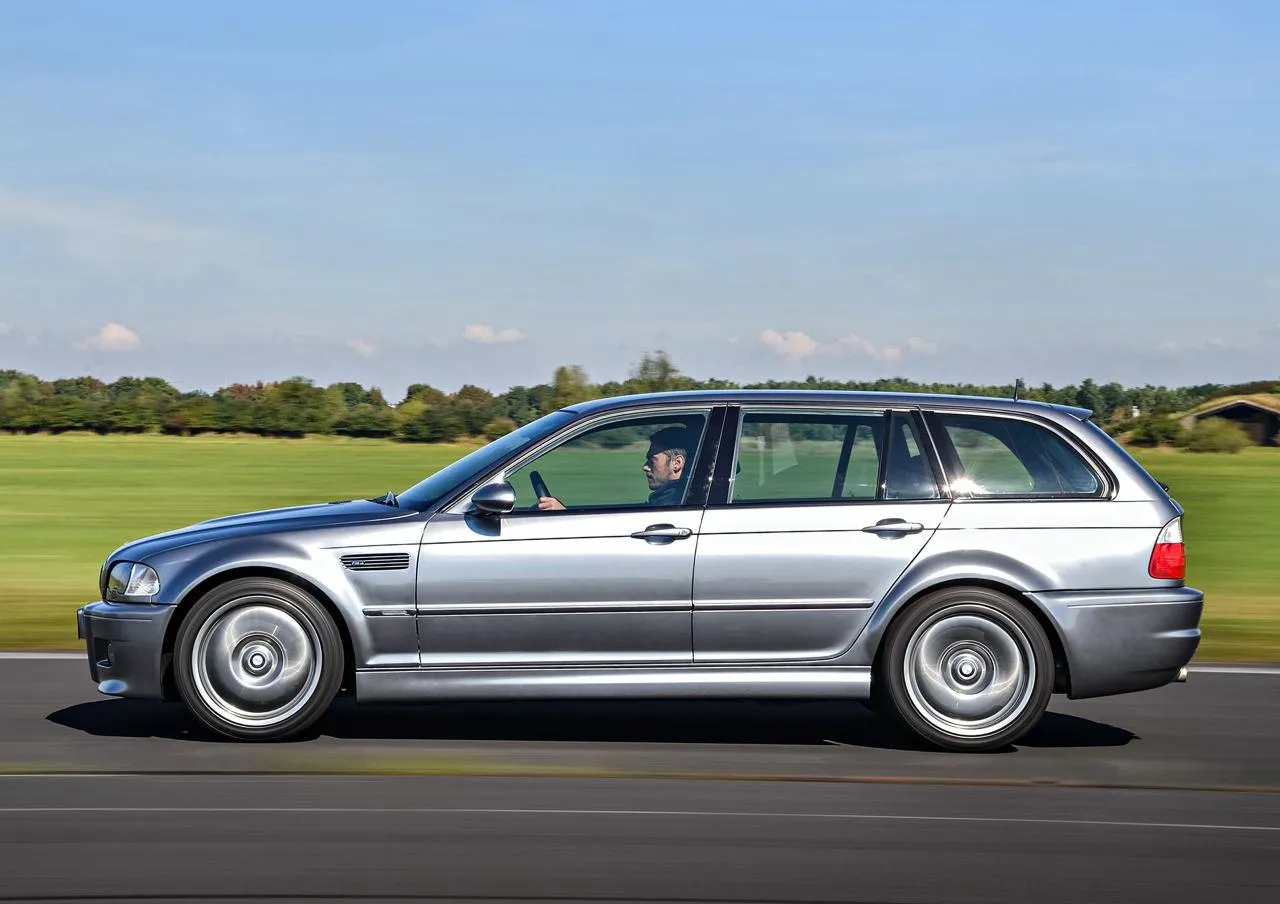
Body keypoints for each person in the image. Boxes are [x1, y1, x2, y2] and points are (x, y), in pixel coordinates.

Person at [537, 425, 694, 510]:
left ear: (677, 463)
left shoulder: (672, 504)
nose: (645, 467)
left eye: (652, 461)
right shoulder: (674, 499)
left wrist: (565, 517)